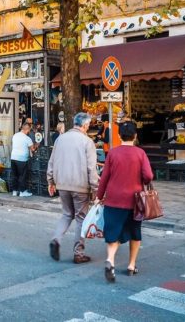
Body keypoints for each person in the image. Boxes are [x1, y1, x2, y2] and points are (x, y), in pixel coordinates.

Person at [96, 120, 153, 283]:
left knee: (112, 233)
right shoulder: (140, 153)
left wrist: (99, 196)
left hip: (113, 199)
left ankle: (110, 260)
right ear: (135, 136)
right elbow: (148, 176)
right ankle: (131, 265)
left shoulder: (113, 153)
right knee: (135, 232)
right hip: (135, 201)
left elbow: (104, 178)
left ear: (119, 136)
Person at [47, 112, 99, 264]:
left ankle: (56, 239)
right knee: (81, 218)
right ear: (85, 125)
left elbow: (52, 161)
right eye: (88, 125)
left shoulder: (60, 139)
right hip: (80, 185)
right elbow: (91, 168)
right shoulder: (87, 141)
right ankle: (78, 253)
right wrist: (96, 188)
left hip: (62, 184)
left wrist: (50, 181)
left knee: (66, 214)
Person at [10, 122, 36, 197]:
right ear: (27, 129)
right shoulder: (27, 138)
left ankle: (14, 191)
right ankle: (22, 192)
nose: (29, 132)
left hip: (13, 157)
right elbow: (33, 149)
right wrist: (37, 145)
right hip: (22, 159)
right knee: (22, 176)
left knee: (14, 175)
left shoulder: (15, 135)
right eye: (29, 130)